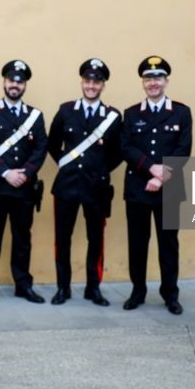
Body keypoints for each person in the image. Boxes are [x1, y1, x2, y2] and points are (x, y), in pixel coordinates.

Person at [47, 58, 123, 306]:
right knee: (62, 239)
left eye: (96, 82)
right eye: (88, 81)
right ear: (82, 82)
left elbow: (118, 152)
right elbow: (52, 143)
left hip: (96, 187)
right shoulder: (66, 110)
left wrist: (99, 170)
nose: (91, 86)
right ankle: (63, 288)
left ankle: (93, 288)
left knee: (96, 240)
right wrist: (65, 164)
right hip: (66, 186)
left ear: (103, 85)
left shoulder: (112, 116)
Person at [120, 56, 192, 315]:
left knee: (168, 244)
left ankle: (170, 294)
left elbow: (183, 149)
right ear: (143, 82)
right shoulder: (131, 113)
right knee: (137, 244)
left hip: (169, 189)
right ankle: (137, 291)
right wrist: (151, 169)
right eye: (148, 78)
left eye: (158, 78)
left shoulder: (181, 112)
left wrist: (161, 177)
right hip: (138, 188)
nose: (153, 83)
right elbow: (126, 147)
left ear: (166, 81)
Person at [0, 60, 48, 305]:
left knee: (22, 238)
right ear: (4, 82)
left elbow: (40, 148)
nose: (15, 85)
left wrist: (25, 173)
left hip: (24, 187)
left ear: (25, 85)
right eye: (11, 80)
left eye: (20, 81)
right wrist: (6, 173)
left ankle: (23, 285)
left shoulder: (34, 116)